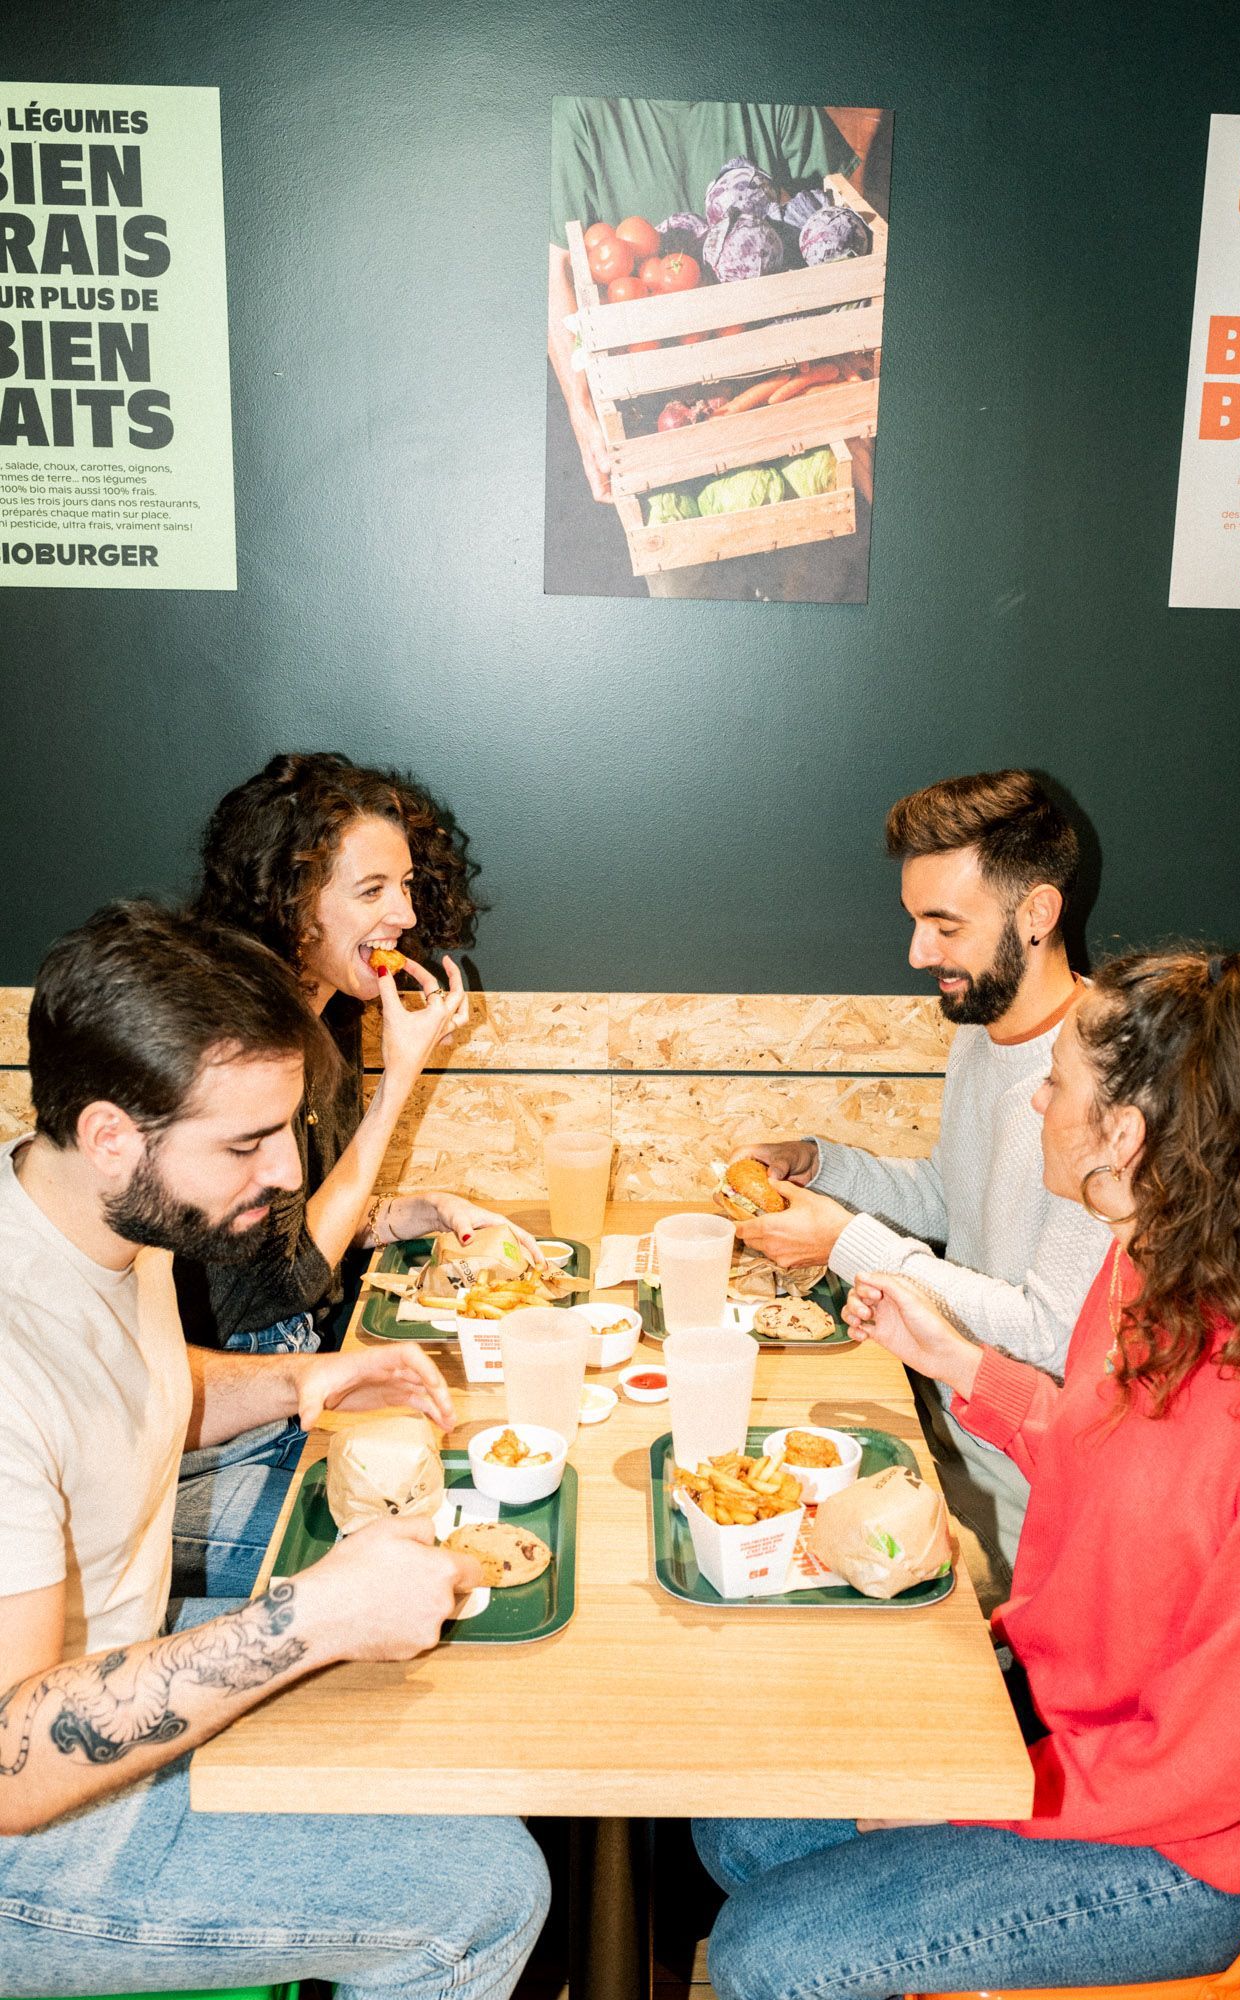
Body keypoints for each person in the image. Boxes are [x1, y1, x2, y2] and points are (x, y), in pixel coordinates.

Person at [695, 949, 1240, 2000]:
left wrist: (977, 1797)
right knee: (744, 1815)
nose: (1036, 1096)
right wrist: (957, 1359)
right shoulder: (1146, 1267)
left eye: (1060, 1083)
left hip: (1203, 1853)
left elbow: (1216, 1766)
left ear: (1123, 1134)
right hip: (1088, 1727)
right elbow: (1112, 1459)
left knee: (769, 1951)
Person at [0, 902, 548, 1997]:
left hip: (119, 1659)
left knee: (461, 1709)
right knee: (485, 1894)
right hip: (32, 1837)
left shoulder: (108, 1213)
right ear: (114, 1132)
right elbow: (9, 1760)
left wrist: (299, 1380)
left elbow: (119, 1402)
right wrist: (308, 1619)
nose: (290, 1170)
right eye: (248, 1142)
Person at [732, 770, 1109, 1603]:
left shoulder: (1098, 1088)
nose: (916, 953)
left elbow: (1048, 1336)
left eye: (944, 926)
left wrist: (843, 1240)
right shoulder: (985, 1028)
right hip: (941, 1437)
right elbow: (953, 1196)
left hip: (1026, 1509)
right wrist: (822, 1163)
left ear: (1037, 913)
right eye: (915, 921)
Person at [172, 750, 539, 1596]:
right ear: (287, 899)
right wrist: (400, 1083)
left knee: (491, 1468)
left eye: (406, 886)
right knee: (440, 1553)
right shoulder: (226, 1046)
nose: (405, 914)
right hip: (203, 1439)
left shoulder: (323, 1009)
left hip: (301, 1382)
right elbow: (279, 1285)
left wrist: (411, 1213)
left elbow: (307, 1221)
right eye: (371, 891)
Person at [546, 96, 870, 602]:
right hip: (658, 422)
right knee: (692, 617)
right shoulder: (584, 111)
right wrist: (584, 418)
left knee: (816, 600)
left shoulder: (775, 79)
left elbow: (829, 224)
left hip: (791, 402)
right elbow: (558, 275)